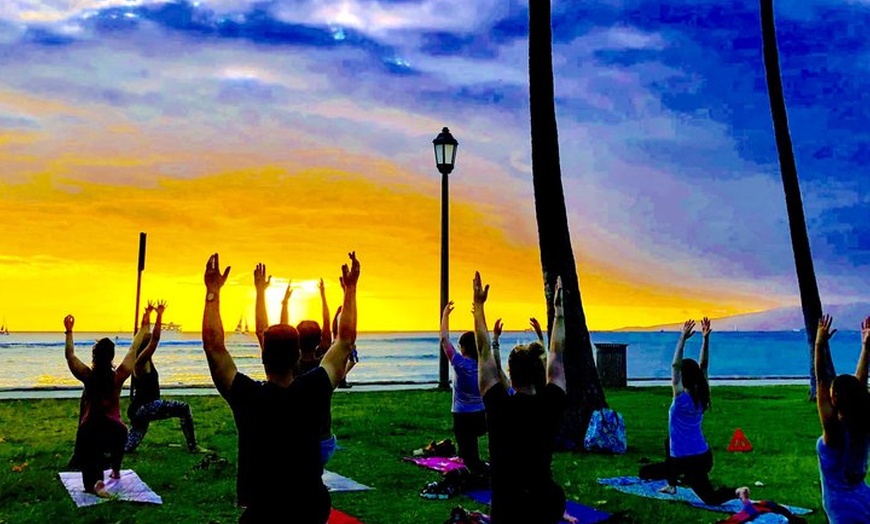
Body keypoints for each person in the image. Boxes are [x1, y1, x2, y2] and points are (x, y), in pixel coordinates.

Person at [202, 252, 359, 523]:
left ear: (263, 355)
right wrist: (350, 290)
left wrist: (213, 292)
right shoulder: (315, 389)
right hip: (310, 507)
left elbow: (214, 347)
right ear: (297, 357)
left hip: (263, 511)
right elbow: (344, 340)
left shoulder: (247, 396)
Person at [474, 272, 567, 524]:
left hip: (508, 506)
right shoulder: (550, 402)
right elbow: (557, 353)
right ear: (540, 373)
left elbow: (483, 354)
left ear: (511, 375)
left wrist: (479, 308)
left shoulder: (499, 404)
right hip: (544, 503)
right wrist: (558, 312)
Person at [253, 267, 354, 465]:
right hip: (322, 443)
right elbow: (340, 336)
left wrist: (278, 300)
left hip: (291, 440)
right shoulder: (322, 370)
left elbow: (268, 331)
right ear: (320, 342)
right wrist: (344, 291)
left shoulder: (289, 367)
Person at [639, 318, 735, 505]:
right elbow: (704, 366)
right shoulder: (703, 396)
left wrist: (682, 338)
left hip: (685, 461)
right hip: (704, 457)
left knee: (645, 473)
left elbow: (675, 366)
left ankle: (679, 479)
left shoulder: (681, 398)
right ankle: (673, 485)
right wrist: (705, 339)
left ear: (684, 377)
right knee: (669, 441)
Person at [64, 314, 141, 497]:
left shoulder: (88, 375)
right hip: (115, 431)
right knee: (120, 432)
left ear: (94, 356)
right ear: (112, 356)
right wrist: (144, 325)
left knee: (91, 452)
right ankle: (115, 470)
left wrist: (69, 330)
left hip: (90, 429)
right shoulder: (118, 376)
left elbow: (70, 356)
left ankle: (97, 482)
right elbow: (133, 350)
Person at [125, 300, 203, 453]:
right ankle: (193, 446)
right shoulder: (141, 362)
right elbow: (154, 339)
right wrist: (160, 316)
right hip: (147, 407)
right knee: (183, 409)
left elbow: (143, 331)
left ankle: (109, 448)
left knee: (128, 446)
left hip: (138, 410)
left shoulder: (137, 356)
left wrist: (147, 314)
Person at [814, 314, 870, 523]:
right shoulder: (862, 427)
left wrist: (819, 344)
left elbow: (821, 379)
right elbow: (859, 389)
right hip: (865, 499)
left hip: (841, 510)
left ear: (835, 398)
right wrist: (866, 348)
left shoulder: (833, 433)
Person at [440, 300, 486, 475]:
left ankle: (475, 472)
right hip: (481, 416)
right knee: (470, 450)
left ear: (464, 348)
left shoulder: (460, 364)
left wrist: (445, 316)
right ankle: (475, 466)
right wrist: (478, 315)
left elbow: (444, 339)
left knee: (468, 457)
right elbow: (485, 343)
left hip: (463, 416)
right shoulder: (484, 365)